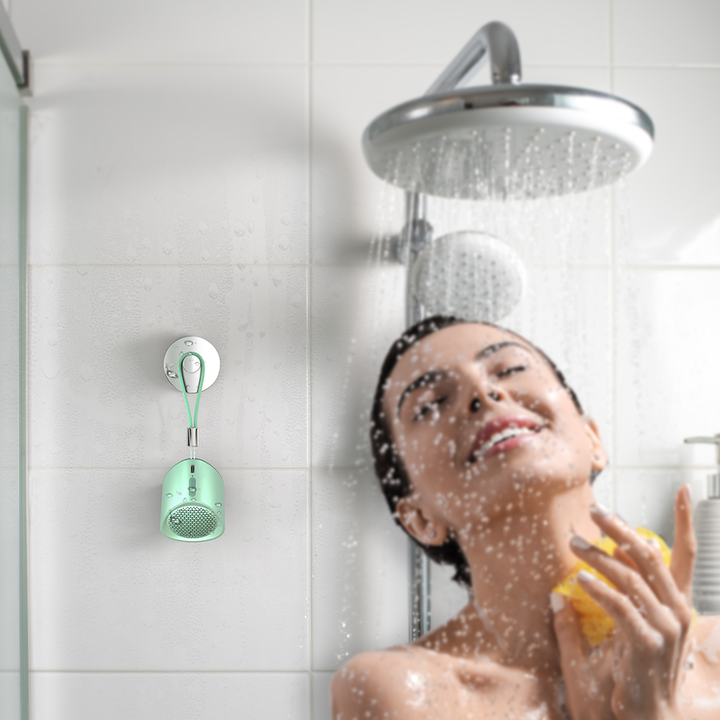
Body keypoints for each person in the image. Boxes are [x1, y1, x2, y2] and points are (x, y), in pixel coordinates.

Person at [331, 316, 720, 720]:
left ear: (593, 440)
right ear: (419, 519)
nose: (482, 392)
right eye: (431, 404)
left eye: (511, 368)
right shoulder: (408, 691)